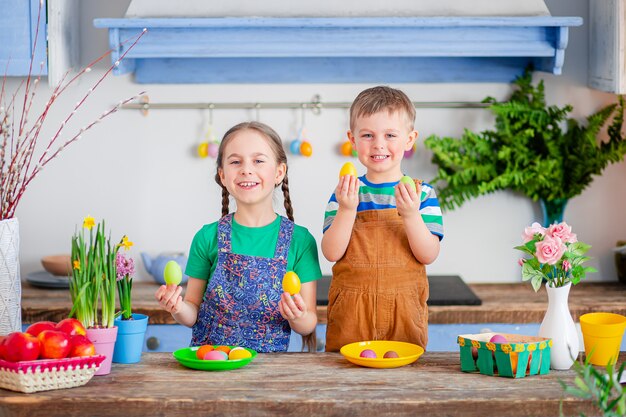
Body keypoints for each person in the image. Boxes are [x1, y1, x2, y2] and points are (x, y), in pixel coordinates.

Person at [155, 121, 322, 352]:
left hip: (268, 373)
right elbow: (192, 313)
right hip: (211, 368)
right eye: (235, 161)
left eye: (258, 160)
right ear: (222, 175)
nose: (246, 169)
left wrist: (298, 315)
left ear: (279, 172)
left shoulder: (300, 241)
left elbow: (308, 324)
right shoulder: (207, 237)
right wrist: (177, 307)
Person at [321, 86, 443, 352]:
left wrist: (410, 214)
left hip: (404, 312)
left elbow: (428, 254)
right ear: (352, 139)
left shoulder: (421, 193)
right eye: (367, 135)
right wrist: (346, 210)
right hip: (351, 315)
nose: (378, 144)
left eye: (390, 135)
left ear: (409, 140)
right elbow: (331, 252)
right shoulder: (345, 193)